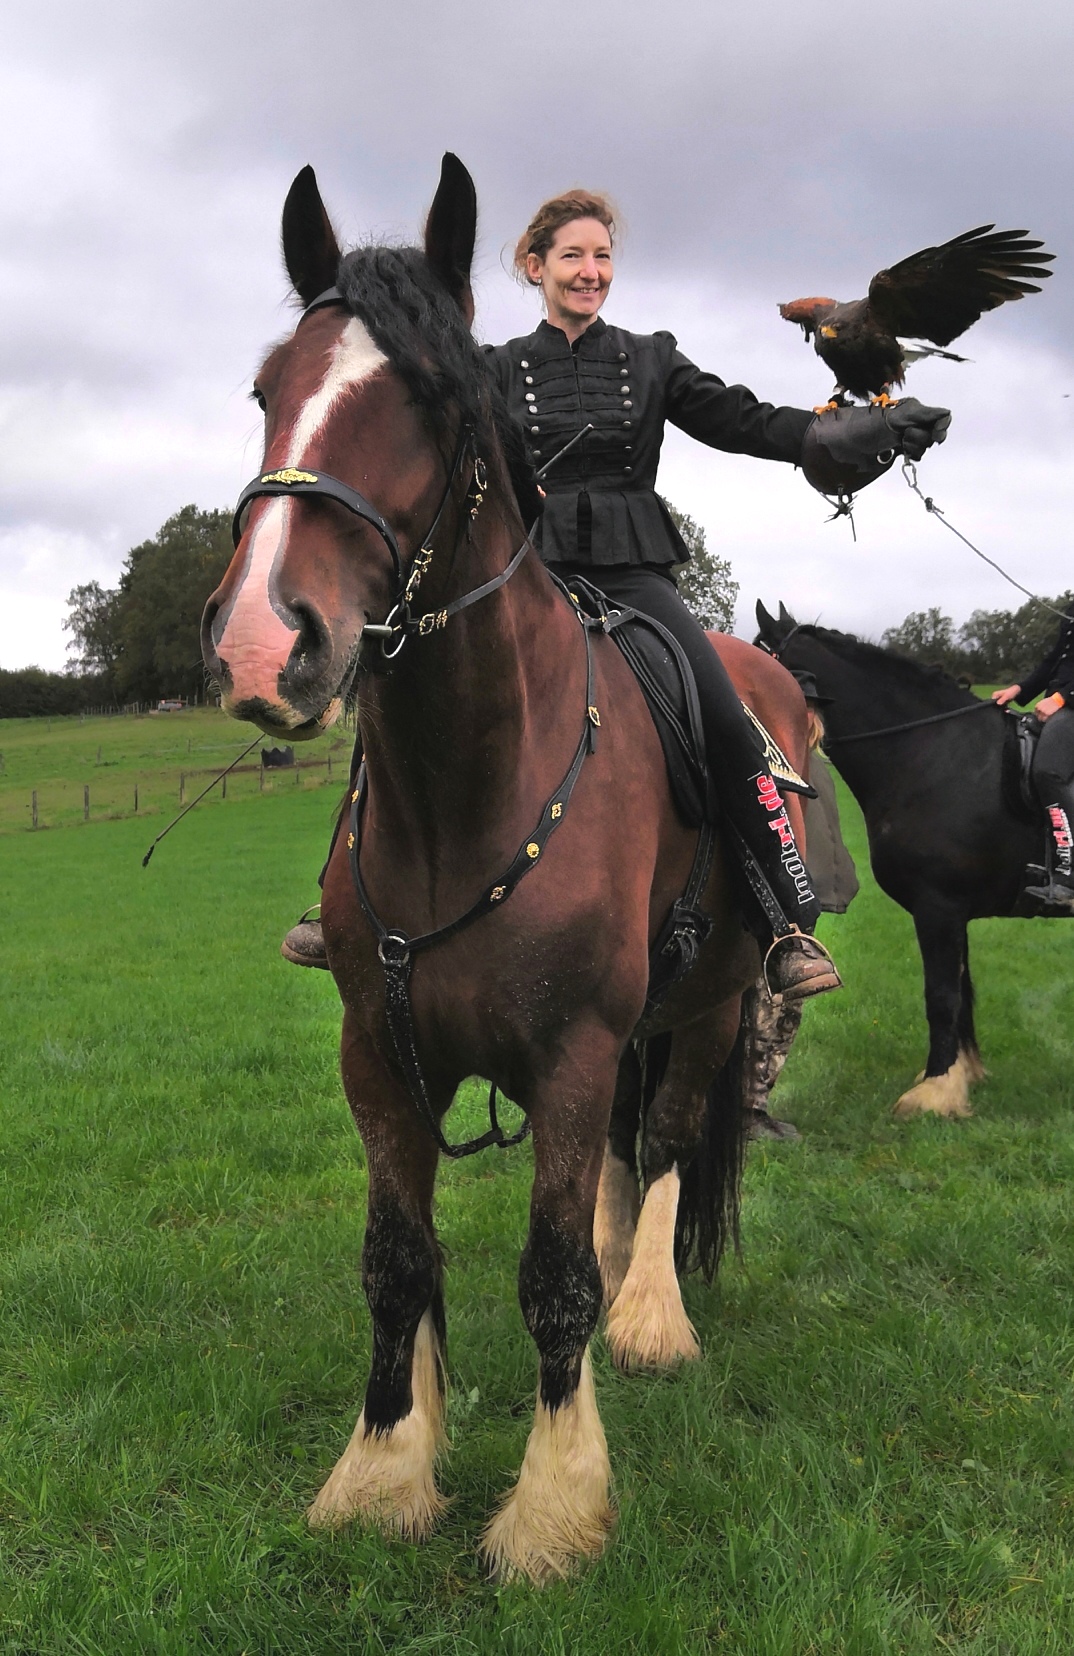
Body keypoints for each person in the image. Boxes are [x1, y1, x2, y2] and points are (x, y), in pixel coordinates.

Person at [283, 190, 950, 993]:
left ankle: (784, 921)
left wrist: (859, 430)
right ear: (535, 267)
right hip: (525, 571)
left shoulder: (651, 357)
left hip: (635, 575)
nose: (590, 271)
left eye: (602, 257)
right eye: (572, 256)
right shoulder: (490, 370)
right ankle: (337, 898)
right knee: (405, 697)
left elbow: (747, 422)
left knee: (719, 710)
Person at [992, 600, 1074, 911]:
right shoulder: (1071, 607)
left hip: (1069, 707)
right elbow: (1056, 661)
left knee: (1049, 771)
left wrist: (1061, 698)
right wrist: (1019, 689)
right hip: (1060, 705)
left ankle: (1070, 875)